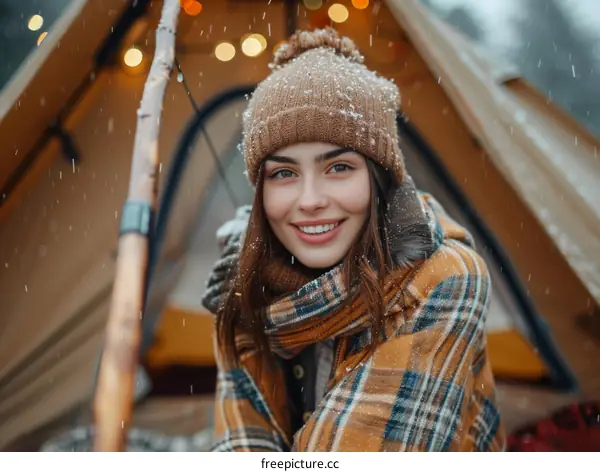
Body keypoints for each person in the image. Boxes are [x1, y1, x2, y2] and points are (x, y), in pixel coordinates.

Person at [201, 27, 505, 452]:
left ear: (378, 179)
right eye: (284, 173)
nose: (309, 201)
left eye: (338, 167)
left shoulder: (447, 280)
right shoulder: (242, 284)